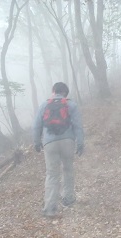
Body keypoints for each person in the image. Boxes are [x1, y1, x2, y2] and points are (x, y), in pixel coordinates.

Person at [33, 82, 84, 217]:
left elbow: (37, 125)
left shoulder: (45, 105)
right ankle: (69, 199)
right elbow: (78, 126)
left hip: (49, 143)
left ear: (53, 91)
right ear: (65, 93)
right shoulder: (71, 105)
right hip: (68, 141)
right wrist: (80, 143)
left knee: (52, 174)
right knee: (68, 170)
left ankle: (50, 208)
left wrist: (37, 142)